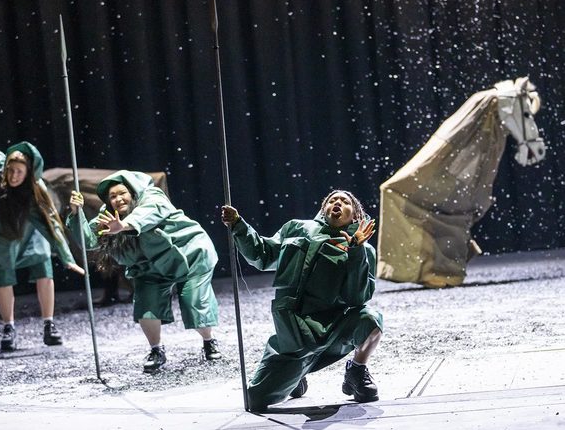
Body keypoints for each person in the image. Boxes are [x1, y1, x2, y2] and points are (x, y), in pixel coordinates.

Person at [221, 190, 383, 411]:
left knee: (370, 321)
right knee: (255, 400)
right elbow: (263, 254)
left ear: (355, 215)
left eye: (345, 202)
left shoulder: (363, 249)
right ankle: (297, 373)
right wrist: (238, 225)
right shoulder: (296, 228)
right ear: (324, 209)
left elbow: (358, 298)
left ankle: (356, 370)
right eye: (332, 200)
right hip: (295, 331)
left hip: (334, 326)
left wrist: (356, 252)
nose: (337, 203)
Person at [67, 170, 222, 372]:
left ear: (132, 192)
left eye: (122, 193)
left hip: (189, 255)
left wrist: (124, 226)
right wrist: (76, 213)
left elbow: (149, 213)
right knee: (146, 306)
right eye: (112, 196)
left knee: (193, 301)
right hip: (150, 266)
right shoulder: (109, 216)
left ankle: (209, 341)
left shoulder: (152, 197)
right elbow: (89, 241)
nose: (118, 199)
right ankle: (156, 350)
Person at [0, 141, 85, 352]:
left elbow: (51, 227)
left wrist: (67, 258)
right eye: (11, 170)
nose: (13, 176)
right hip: (2, 228)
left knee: (43, 265)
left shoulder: (34, 191)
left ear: (28, 173)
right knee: (2, 272)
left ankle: (49, 325)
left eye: (19, 172)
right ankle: (8, 328)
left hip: (31, 229)